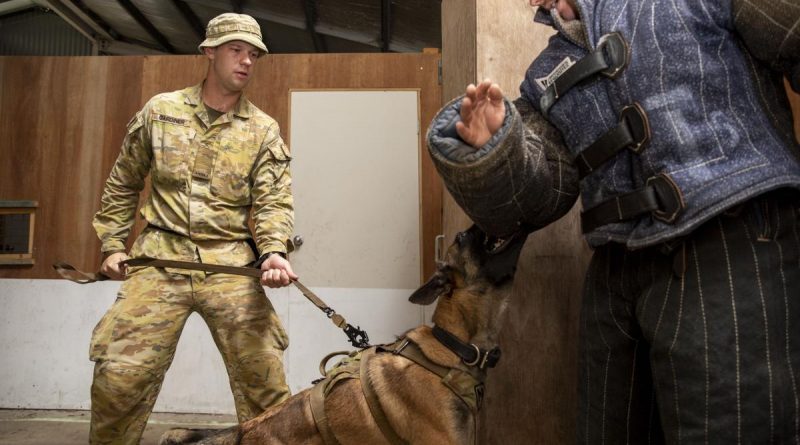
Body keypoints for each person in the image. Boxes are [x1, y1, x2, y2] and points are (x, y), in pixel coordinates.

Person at [427, 0, 800, 443]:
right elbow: (537, 195)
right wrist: (494, 147)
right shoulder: (542, 76)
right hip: (615, 278)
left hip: (731, 246)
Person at [89, 13, 297, 443]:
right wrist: (112, 244)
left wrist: (274, 251)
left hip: (231, 265)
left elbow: (273, 201)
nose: (246, 61)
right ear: (209, 52)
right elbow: (124, 181)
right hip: (159, 259)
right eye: (235, 50)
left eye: (253, 54)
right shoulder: (161, 112)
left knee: (266, 384)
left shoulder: (262, 129)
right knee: (120, 379)